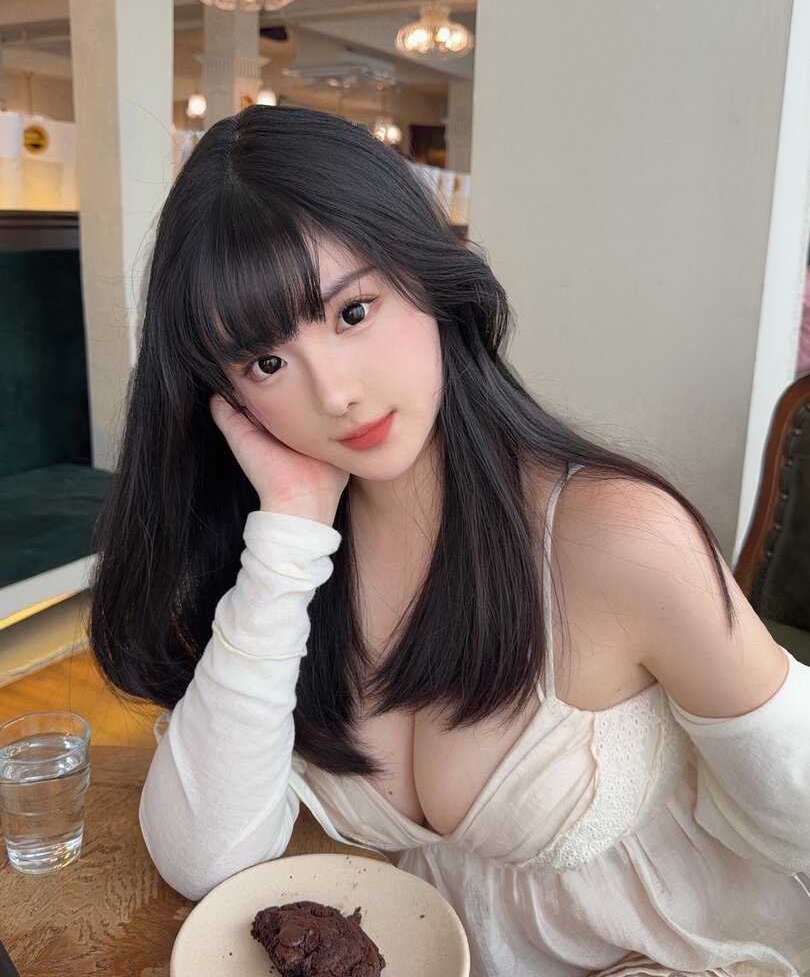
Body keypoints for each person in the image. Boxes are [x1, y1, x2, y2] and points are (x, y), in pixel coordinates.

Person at [89, 105, 810, 977]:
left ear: (427, 276)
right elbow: (205, 859)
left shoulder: (621, 539)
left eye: (353, 311)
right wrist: (289, 530)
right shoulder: (290, 556)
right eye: (267, 363)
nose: (335, 393)